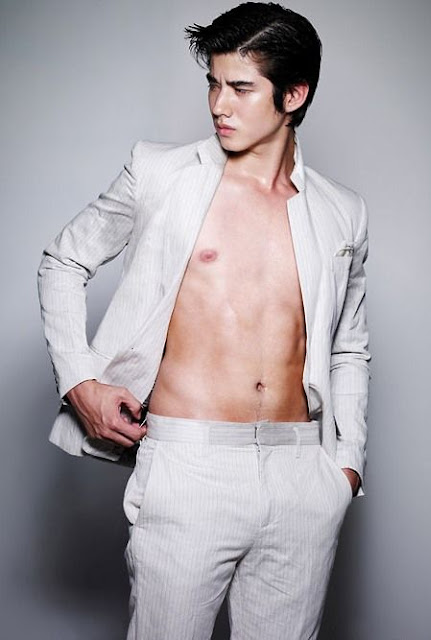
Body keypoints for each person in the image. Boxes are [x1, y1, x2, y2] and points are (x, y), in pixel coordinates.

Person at [38, 2, 370, 638]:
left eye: (241, 88)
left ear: (294, 95)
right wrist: (80, 381)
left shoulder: (342, 212)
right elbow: (63, 261)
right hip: (190, 464)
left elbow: (348, 346)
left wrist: (345, 464)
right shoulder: (160, 173)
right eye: (213, 84)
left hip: (302, 472)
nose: (220, 105)